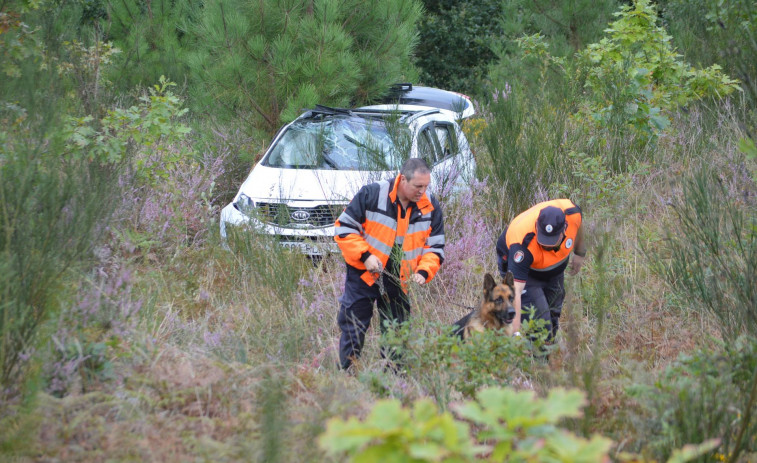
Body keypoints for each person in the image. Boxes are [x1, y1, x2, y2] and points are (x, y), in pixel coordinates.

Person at [333, 158, 445, 371]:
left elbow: (436, 247)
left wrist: (423, 271)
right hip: (364, 273)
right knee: (354, 327)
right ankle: (345, 378)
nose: (422, 191)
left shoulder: (430, 206)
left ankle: (393, 382)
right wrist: (365, 256)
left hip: (401, 278)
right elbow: (344, 229)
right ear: (403, 179)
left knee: (396, 332)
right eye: (417, 186)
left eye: (426, 186)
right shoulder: (372, 194)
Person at [495, 199, 586, 341]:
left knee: (553, 312)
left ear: (564, 229)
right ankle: (538, 359)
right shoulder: (522, 245)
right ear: (537, 226)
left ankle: (547, 350)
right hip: (526, 272)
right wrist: (515, 333)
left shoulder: (572, 213)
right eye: (543, 239)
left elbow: (578, 226)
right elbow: (515, 292)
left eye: (551, 241)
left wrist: (580, 252)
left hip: (553, 270)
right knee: (540, 322)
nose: (546, 245)